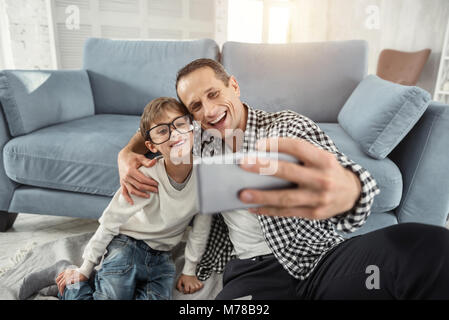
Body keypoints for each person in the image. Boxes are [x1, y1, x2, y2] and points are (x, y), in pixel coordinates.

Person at [118, 59, 449, 299]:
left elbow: (341, 172)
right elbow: (153, 127)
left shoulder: (286, 127)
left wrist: (349, 189)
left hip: (321, 260)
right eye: (196, 107)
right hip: (251, 272)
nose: (208, 110)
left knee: (427, 248)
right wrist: (126, 153)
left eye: (214, 94)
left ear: (233, 85)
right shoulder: (198, 143)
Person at [56, 97, 211, 300]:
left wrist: (189, 270)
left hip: (163, 260)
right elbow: (111, 220)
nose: (174, 133)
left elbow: (201, 228)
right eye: (162, 131)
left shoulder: (207, 177)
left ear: (193, 129)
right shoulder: (146, 176)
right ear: (152, 146)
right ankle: (73, 286)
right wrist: (84, 269)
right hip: (127, 247)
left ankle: (97, 281)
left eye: (180, 124)